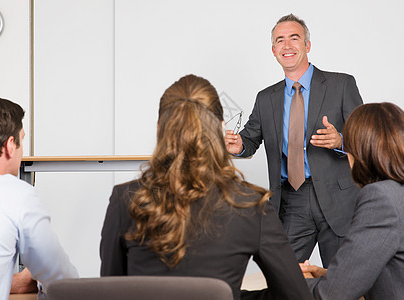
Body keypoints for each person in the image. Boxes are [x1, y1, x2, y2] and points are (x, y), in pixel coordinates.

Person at [100, 74, 313, 300]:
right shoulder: (251, 206)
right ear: (221, 128)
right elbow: (296, 297)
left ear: (160, 128)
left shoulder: (125, 199)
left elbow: (110, 293)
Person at [225, 14, 363, 267]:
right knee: (285, 277)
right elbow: (250, 139)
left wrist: (341, 140)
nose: (287, 45)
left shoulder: (341, 84)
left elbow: (366, 137)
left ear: (307, 45)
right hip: (291, 201)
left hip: (339, 200)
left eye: (294, 38)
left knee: (349, 279)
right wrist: (238, 146)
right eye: (280, 40)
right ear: (273, 50)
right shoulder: (265, 98)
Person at [0, 95, 78, 300]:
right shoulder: (15, 194)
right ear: (10, 145)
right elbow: (63, 282)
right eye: (21, 141)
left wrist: (13, 283)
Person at [300, 102, 404, 300]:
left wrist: (297, 281)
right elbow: (396, 272)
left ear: (358, 152)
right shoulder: (402, 193)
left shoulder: (380, 198)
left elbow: (332, 294)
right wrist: (325, 274)